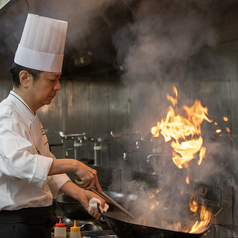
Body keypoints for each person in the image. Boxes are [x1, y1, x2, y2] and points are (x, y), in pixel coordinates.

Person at [0, 14, 106, 238]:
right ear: (25, 77)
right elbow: (18, 163)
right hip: (16, 226)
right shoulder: (7, 115)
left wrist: (79, 193)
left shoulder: (29, 115)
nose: (58, 87)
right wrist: (74, 164)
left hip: (33, 223)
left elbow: (46, 169)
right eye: (52, 79)